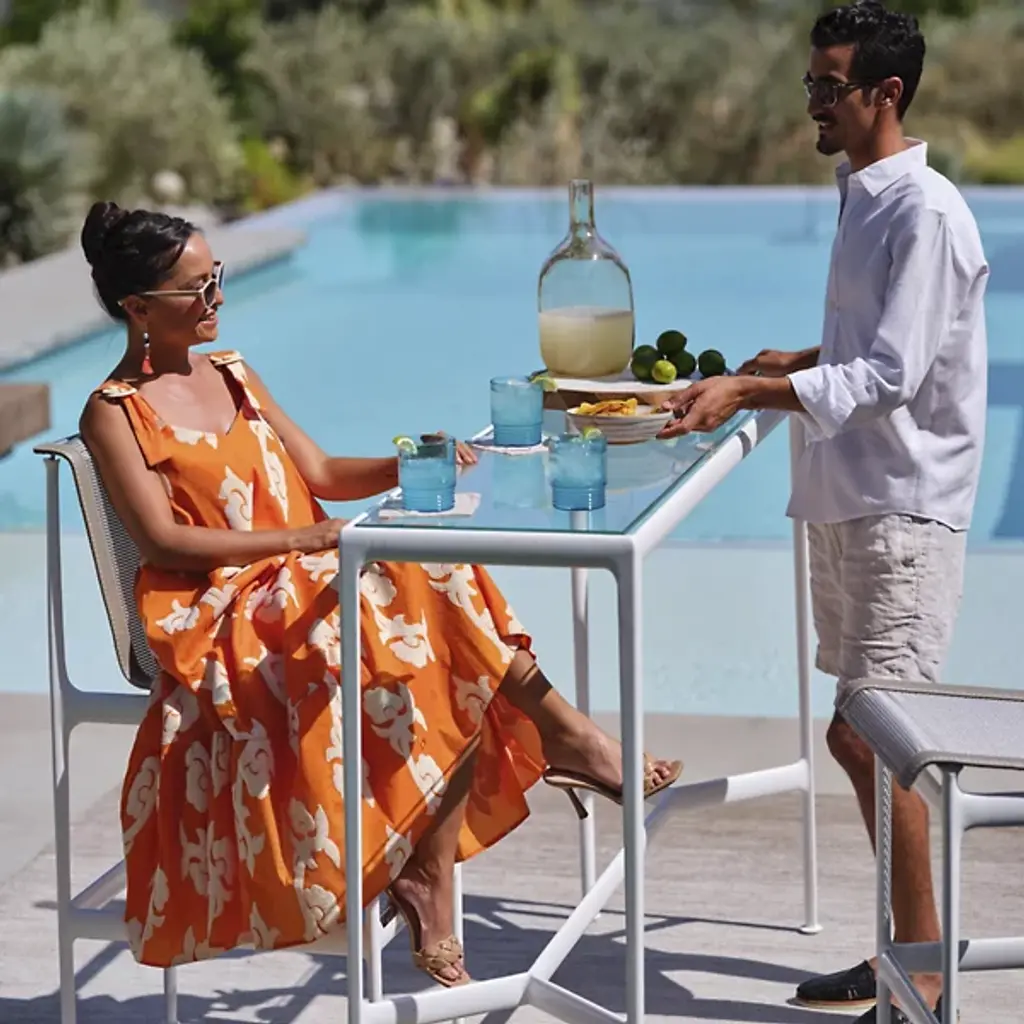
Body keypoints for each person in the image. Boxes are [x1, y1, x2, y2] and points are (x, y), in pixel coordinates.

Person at [79, 201, 682, 987]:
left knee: (431, 582)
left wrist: (410, 462)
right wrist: (303, 539)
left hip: (303, 576)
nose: (216, 296)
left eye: (215, 276)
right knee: (419, 593)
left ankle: (444, 860)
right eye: (196, 288)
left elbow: (322, 474)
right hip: (223, 609)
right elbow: (164, 543)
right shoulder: (114, 412)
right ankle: (563, 745)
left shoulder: (232, 371)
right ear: (137, 307)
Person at [658, 2, 987, 1021]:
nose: (813, 102)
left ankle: (921, 973)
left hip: (902, 510)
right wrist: (797, 359)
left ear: (886, 92)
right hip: (851, 500)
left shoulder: (925, 211)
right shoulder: (866, 196)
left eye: (828, 85)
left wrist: (750, 392)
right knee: (857, 737)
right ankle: (907, 951)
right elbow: (880, 341)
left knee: (878, 739)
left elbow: (892, 376)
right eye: (810, 83)